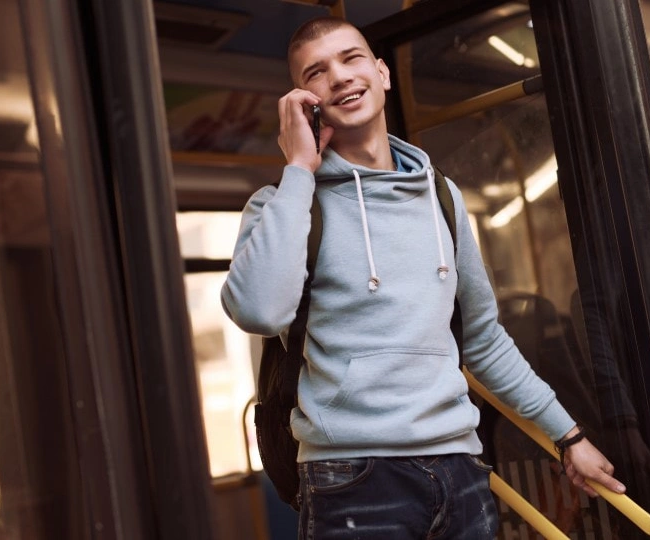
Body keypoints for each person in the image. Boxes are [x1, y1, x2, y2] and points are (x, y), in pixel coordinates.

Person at [220, 16, 626, 539]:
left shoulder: (442, 197)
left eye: (352, 58)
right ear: (304, 101)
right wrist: (299, 167)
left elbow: (481, 339)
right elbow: (258, 311)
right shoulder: (281, 205)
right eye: (317, 72)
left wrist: (568, 437)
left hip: (460, 468)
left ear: (383, 73)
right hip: (352, 479)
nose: (340, 76)